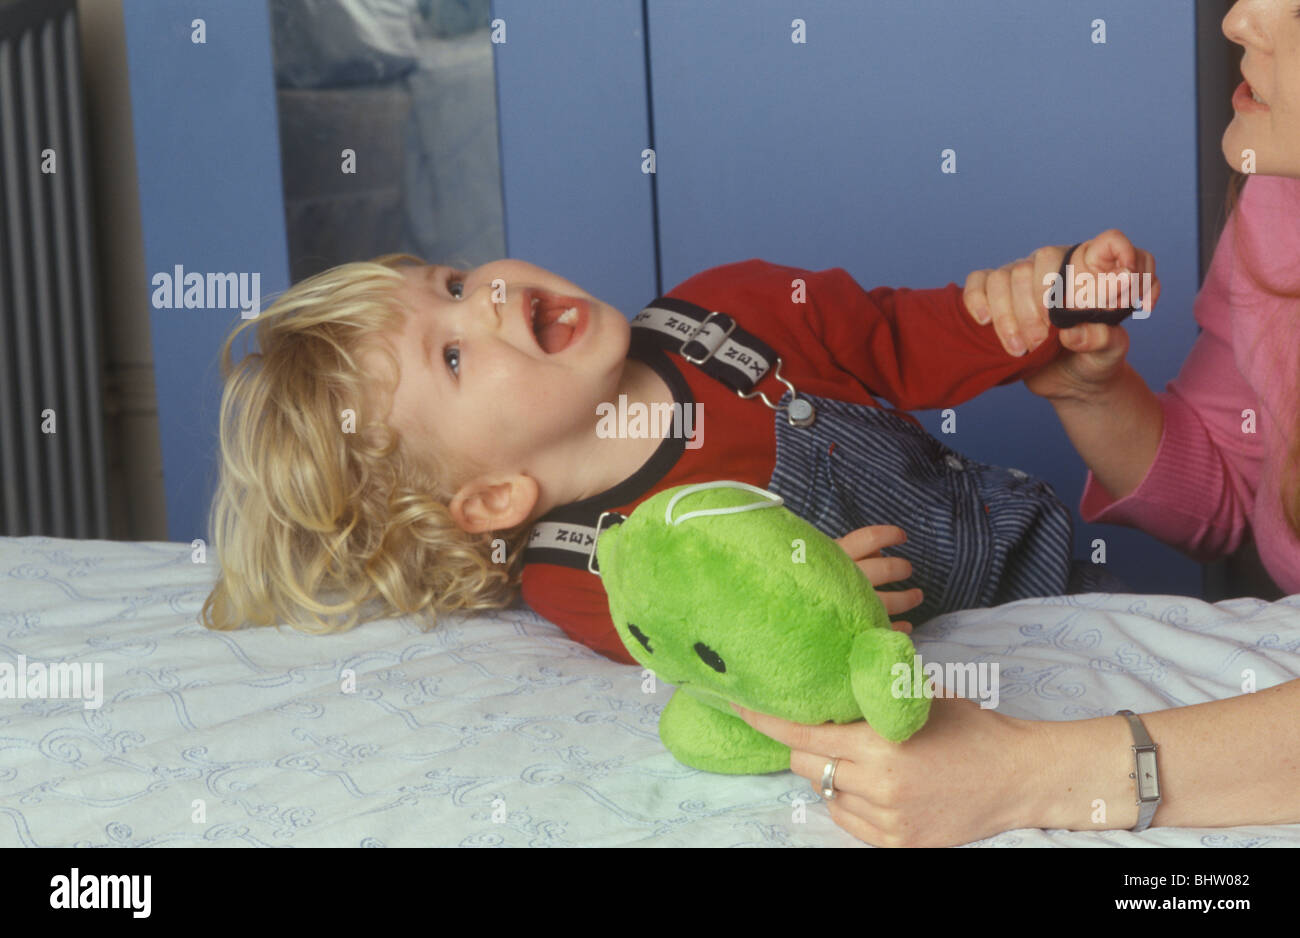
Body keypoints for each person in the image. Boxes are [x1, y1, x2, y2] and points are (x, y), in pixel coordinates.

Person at [731, 0, 1300, 846]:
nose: (1240, 19)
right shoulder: (1277, 205)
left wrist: (1029, 777)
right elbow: (1233, 492)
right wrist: (1089, 392)